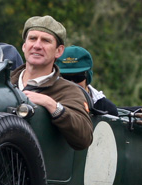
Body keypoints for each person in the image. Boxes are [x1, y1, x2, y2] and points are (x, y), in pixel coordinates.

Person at [10, 15, 93, 150]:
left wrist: (53, 106)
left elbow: (84, 138)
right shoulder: (4, 82)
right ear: (24, 46)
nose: (37, 45)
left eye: (46, 41)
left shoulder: (68, 91)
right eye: (32, 38)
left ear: (59, 51)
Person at [57, 46, 119, 116]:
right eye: (66, 78)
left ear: (88, 76)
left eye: (78, 77)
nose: (72, 83)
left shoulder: (105, 108)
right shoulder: (48, 102)